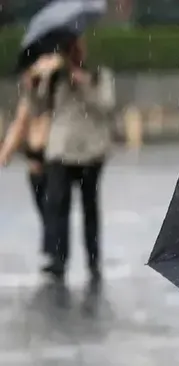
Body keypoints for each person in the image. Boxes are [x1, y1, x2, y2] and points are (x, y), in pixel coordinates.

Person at [38, 35, 115, 281]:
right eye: (70, 49)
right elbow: (39, 106)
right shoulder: (54, 76)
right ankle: (58, 259)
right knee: (58, 206)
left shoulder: (99, 75)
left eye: (78, 48)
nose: (75, 53)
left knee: (89, 208)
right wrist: (38, 81)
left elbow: (106, 105)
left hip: (90, 152)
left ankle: (93, 260)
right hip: (61, 152)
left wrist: (84, 83)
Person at [0, 54, 64, 257]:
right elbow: (18, 126)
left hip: (53, 154)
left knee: (53, 206)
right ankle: (52, 246)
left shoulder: (56, 94)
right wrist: (5, 154)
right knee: (45, 206)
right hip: (36, 156)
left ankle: (54, 249)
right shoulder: (29, 99)